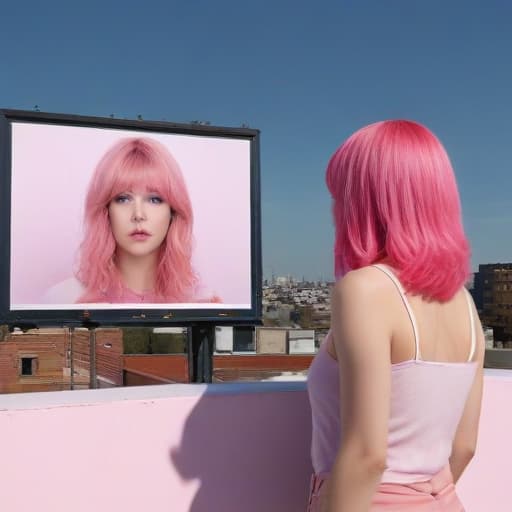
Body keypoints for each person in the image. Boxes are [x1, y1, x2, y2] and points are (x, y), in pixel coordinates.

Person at [307, 120, 484, 511]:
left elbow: (367, 454)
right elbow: (465, 446)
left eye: (340, 195)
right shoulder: (463, 303)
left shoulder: (365, 290)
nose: (335, 210)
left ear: (365, 202)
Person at [45, 137, 220, 304]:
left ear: (173, 211)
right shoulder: (64, 299)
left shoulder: (202, 302)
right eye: (123, 199)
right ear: (105, 211)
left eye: (154, 199)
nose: (138, 214)